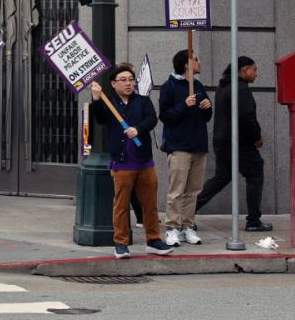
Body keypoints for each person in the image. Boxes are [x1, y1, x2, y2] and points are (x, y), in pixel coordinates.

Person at [90, 63, 173, 259]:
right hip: (122, 162)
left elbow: (152, 119)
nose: (128, 83)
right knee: (121, 205)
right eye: (123, 80)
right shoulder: (109, 102)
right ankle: (121, 243)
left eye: (130, 80)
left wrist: (138, 129)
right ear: (113, 83)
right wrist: (95, 99)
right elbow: (100, 119)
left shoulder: (142, 101)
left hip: (144, 162)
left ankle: (153, 240)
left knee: (150, 204)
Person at [195, 55, 272, 232]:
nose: (256, 74)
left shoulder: (224, 86)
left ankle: (188, 211)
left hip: (222, 140)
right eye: (254, 69)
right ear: (244, 70)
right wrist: (256, 137)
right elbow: (247, 117)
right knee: (255, 174)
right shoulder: (241, 89)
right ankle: (253, 220)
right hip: (239, 142)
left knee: (221, 177)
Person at [158, 48, 213, 246]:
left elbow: (206, 117)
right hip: (179, 145)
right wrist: (184, 105)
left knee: (194, 190)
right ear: (186, 64)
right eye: (196, 59)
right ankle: (172, 227)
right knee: (176, 190)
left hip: (198, 144)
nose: (199, 62)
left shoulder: (197, 85)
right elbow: (165, 116)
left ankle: (188, 226)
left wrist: (207, 107)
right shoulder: (169, 86)